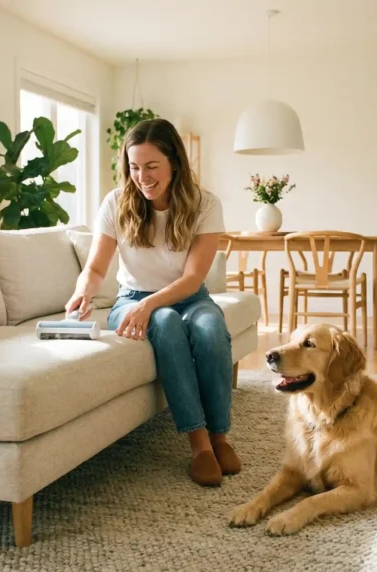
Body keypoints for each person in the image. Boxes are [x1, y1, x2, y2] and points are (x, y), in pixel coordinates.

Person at [65, 118, 239, 487]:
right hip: (131, 298)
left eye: (151, 166)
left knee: (210, 328)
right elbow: (96, 267)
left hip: (190, 297)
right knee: (164, 323)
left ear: (174, 161)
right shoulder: (116, 203)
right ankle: (200, 445)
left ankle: (221, 435)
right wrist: (84, 290)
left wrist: (151, 305)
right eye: (134, 167)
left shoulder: (205, 203)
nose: (142, 176)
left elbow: (193, 278)